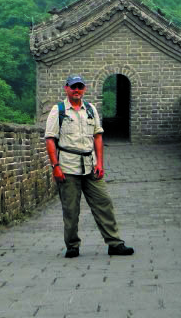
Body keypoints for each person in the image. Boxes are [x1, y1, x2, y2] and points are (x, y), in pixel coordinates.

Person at [45, 75, 134, 258]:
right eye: (73, 87)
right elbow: (50, 139)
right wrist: (55, 166)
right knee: (71, 209)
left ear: (84, 89)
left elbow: (98, 136)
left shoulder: (90, 109)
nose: (76, 90)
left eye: (79, 87)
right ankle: (72, 245)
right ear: (66, 89)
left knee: (104, 203)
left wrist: (100, 163)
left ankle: (114, 243)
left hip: (90, 165)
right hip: (68, 166)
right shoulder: (59, 110)